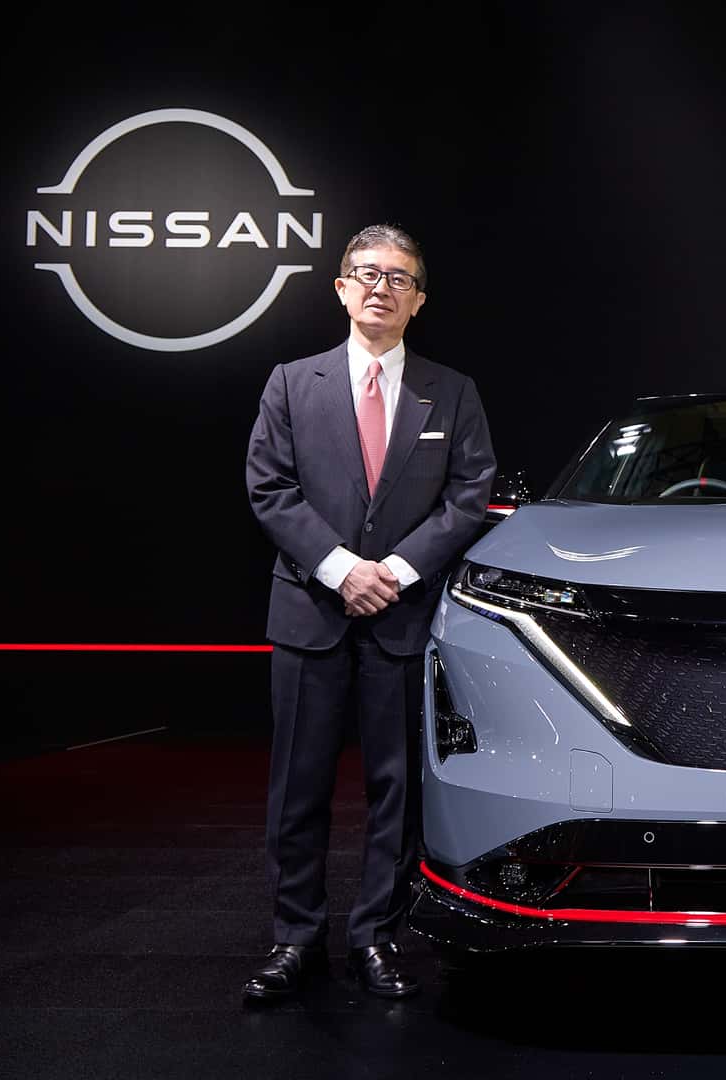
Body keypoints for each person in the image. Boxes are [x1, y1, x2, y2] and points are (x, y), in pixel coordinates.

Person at [243, 224, 495, 1001]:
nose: (381, 287)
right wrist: (341, 568)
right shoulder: (292, 383)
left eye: (398, 278)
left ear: (419, 301)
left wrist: (393, 571)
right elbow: (269, 487)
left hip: (403, 618)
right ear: (341, 288)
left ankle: (376, 937)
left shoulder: (452, 391)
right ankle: (295, 938)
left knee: (398, 789)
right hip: (309, 613)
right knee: (298, 787)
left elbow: (470, 494)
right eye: (367, 273)